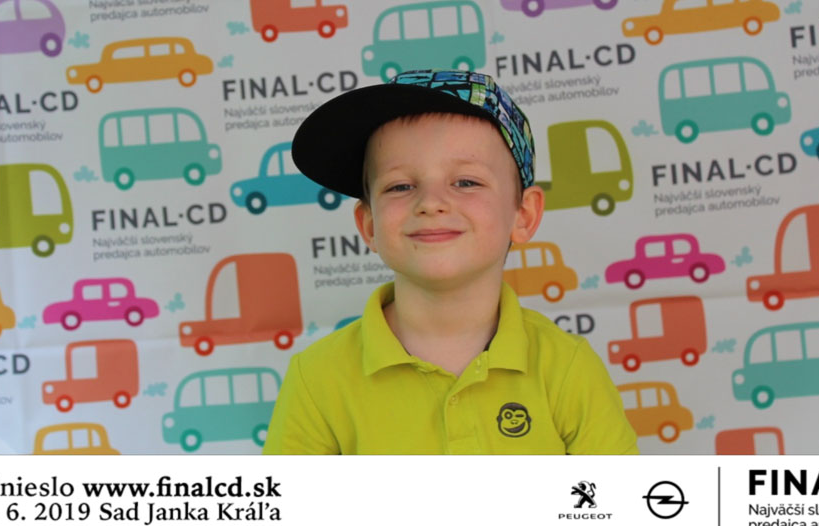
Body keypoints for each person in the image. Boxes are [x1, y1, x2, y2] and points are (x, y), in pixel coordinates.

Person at [262, 69, 637, 454]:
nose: (431, 203)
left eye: (466, 182)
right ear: (369, 225)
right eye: (400, 186)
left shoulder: (568, 368)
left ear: (523, 215)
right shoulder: (317, 379)